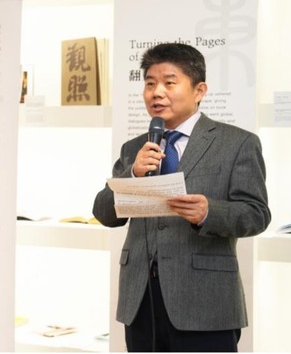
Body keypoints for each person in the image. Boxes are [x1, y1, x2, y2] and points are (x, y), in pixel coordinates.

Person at [92, 43, 270, 352]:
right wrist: (132, 175)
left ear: (199, 90)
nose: (156, 93)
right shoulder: (135, 148)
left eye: (169, 82)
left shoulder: (237, 143)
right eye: (150, 83)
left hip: (205, 301)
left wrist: (208, 212)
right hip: (141, 300)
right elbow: (104, 213)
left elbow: (256, 214)